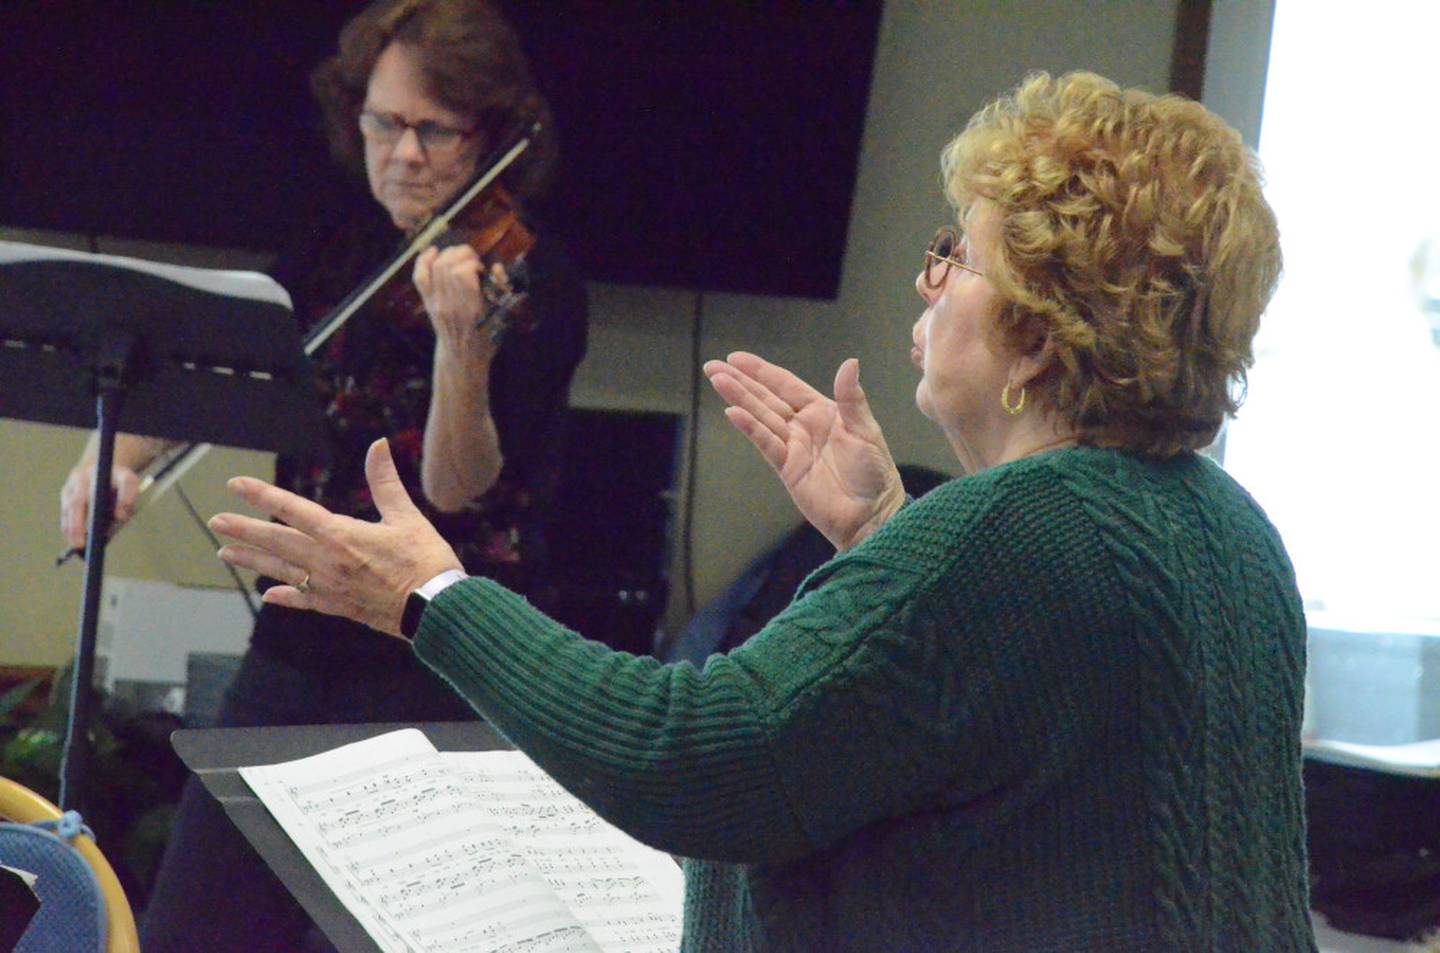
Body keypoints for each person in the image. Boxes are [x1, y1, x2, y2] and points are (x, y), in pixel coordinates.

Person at [209, 71, 1316, 951]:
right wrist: (885, 530)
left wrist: (430, 595)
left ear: (1040, 331)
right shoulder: (1229, 530)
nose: (929, 282)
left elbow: (692, 757)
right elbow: (1023, 756)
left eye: (960, 257)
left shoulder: (1009, 532)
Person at [58, 1, 587, 948]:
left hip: (444, 657)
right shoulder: (339, 249)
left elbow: (458, 488)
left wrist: (460, 346)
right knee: (195, 924)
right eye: (386, 122)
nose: (405, 153)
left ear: (494, 134)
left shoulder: (533, 283)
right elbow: (217, 364)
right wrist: (115, 457)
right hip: (300, 637)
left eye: (435, 129)